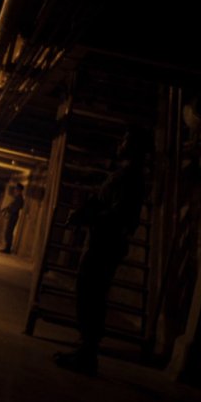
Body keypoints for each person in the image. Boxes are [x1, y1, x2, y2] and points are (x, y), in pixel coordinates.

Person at [54, 127, 150, 375]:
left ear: (135, 146)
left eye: (126, 139)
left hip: (106, 243)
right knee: (89, 293)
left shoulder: (131, 176)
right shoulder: (125, 174)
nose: (121, 143)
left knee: (91, 293)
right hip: (102, 240)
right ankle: (85, 349)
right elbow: (105, 203)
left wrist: (89, 216)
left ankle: (88, 353)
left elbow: (119, 213)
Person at [0, 183, 25, 253]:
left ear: (19, 190)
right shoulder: (17, 198)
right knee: (8, 232)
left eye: (16, 189)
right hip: (12, 216)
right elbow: (11, 206)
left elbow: (15, 208)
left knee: (9, 232)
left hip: (14, 216)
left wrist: (8, 210)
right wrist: (6, 209)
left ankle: (8, 248)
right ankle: (7, 247)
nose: (15, 190)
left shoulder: (19, 198)